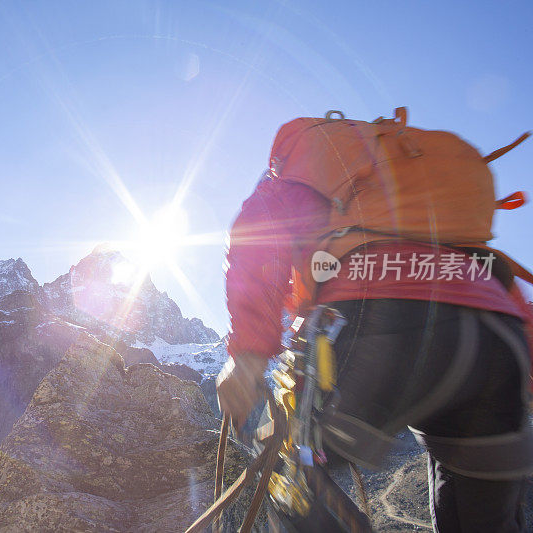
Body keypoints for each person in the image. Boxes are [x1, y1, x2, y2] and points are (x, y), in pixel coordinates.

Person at [216, 110, 533, 532]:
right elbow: (505, 296)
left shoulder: (319, 162)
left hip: (377, 322)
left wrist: (249, 356)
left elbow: (263, 226)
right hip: (497, 340)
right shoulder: (443, 210)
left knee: (292, 483)